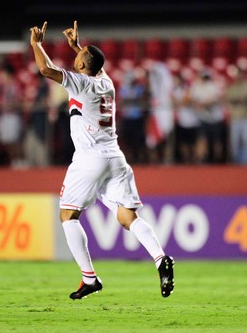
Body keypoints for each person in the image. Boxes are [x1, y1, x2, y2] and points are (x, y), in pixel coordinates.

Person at [29, 20, 174, 299]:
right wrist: (78, 47)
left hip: (89, 158)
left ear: (83, 66)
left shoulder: (81, 83)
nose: (76, 59)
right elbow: (97, 64)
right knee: (127, 216)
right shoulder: (106, 82)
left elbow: (46, 69)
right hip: (115, 158)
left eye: (79, 57)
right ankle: (160, 258)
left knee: (68, 215)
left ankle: (89, 278)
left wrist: (36, 44)